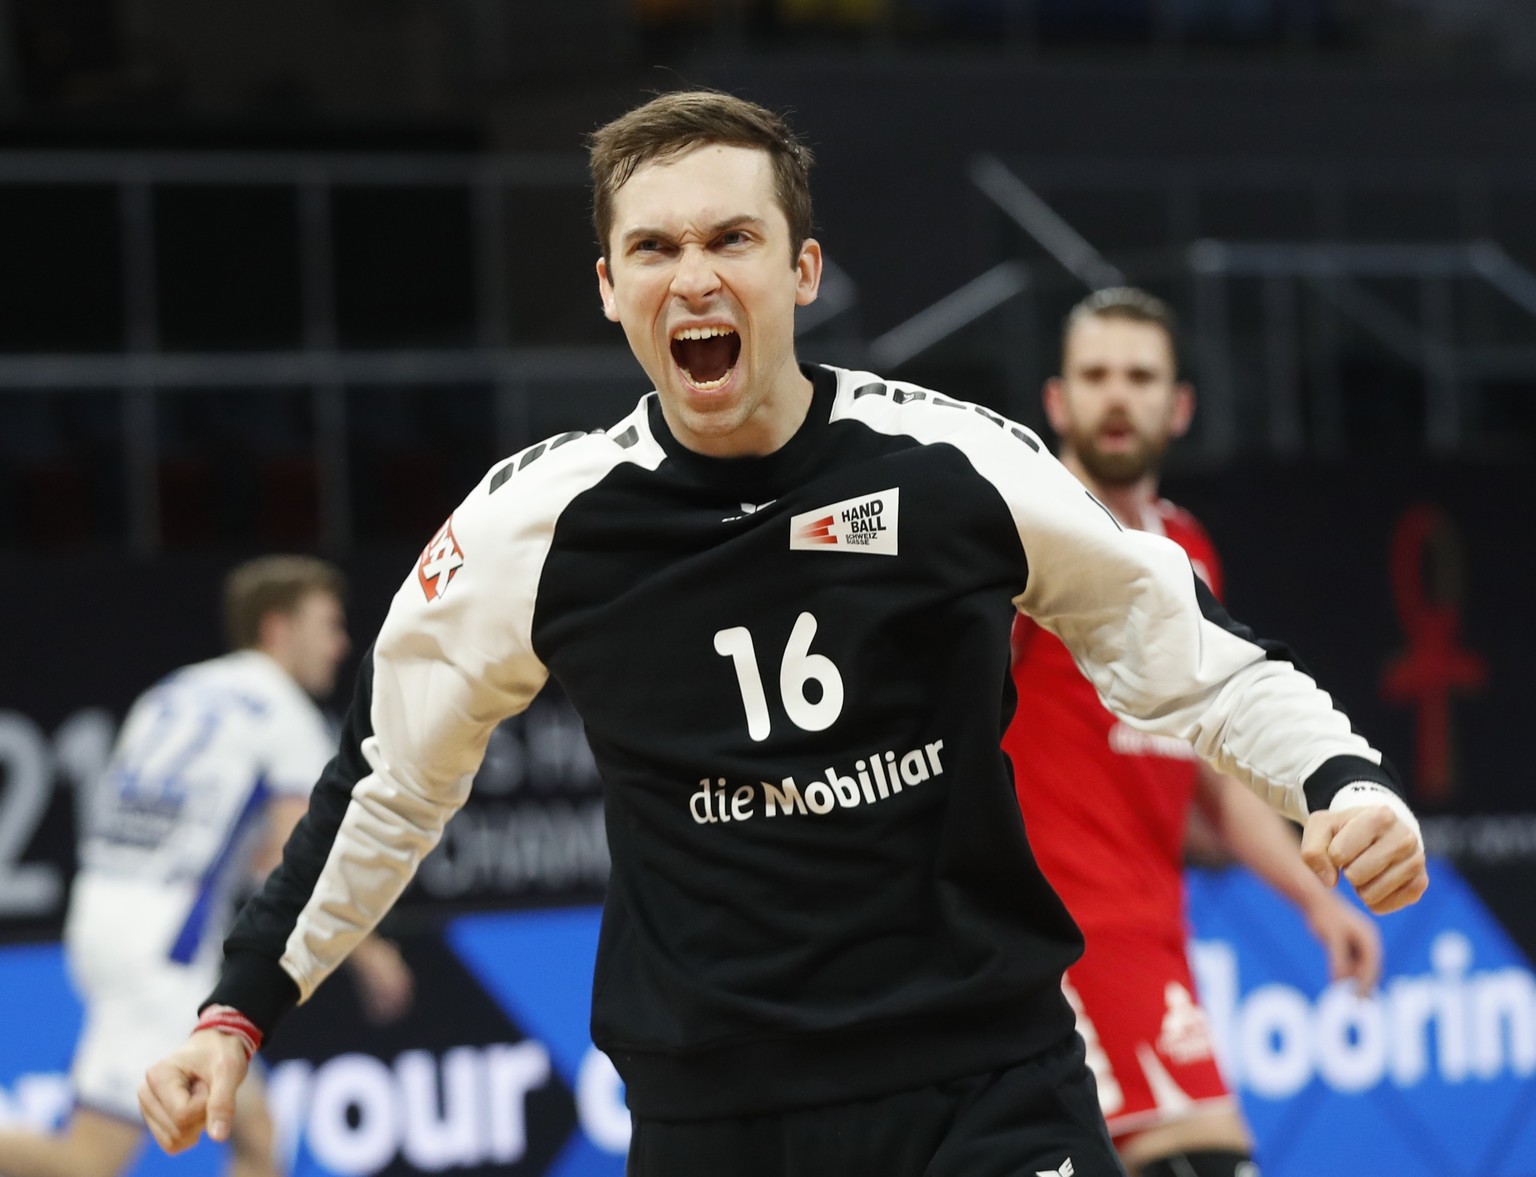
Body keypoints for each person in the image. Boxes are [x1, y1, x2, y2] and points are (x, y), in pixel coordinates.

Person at [138, 91, 1427, 1177]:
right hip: (720, 1115)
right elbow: (387, 785)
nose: (693, 275)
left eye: (732, 237)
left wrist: (1341, 774)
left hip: (982, 1078)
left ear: (800, 270)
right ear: (608, 288)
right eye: (653, 248)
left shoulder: (952, 464)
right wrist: (239, 1007)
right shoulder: (537, 523)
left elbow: (1185, 646)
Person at [1002, 287, 1383, 1177]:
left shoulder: (1185, 548)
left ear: (1179, 406)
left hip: (1153, 932)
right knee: (1204, 1159)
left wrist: (1317, 899)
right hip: (1056, 943)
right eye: (1096, 375)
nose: (1117, 396)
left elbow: (1213, 770)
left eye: (1140, 376)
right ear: (1058, 402)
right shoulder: (1023, 538)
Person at [0, 556, 413, 1177]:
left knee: (257, 1133)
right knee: (88, 1161)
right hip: (164, 949)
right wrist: (367, 948)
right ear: (278, 628)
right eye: (327, 625)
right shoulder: (283, 712)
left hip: (99, 919)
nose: (342, 644)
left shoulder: (171, 692)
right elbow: (292, 858)